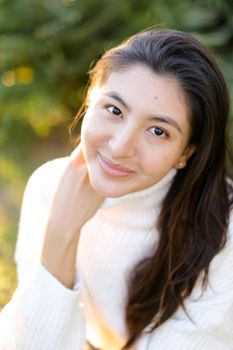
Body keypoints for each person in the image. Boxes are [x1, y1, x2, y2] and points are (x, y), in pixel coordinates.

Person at [0, 28, 232, 350]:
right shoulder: (48, 187)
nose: (121, 147)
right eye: (114, 110)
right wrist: (61, 230)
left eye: (157, 130)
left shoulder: (225, 230)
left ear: (185, 153)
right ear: (90, 100)